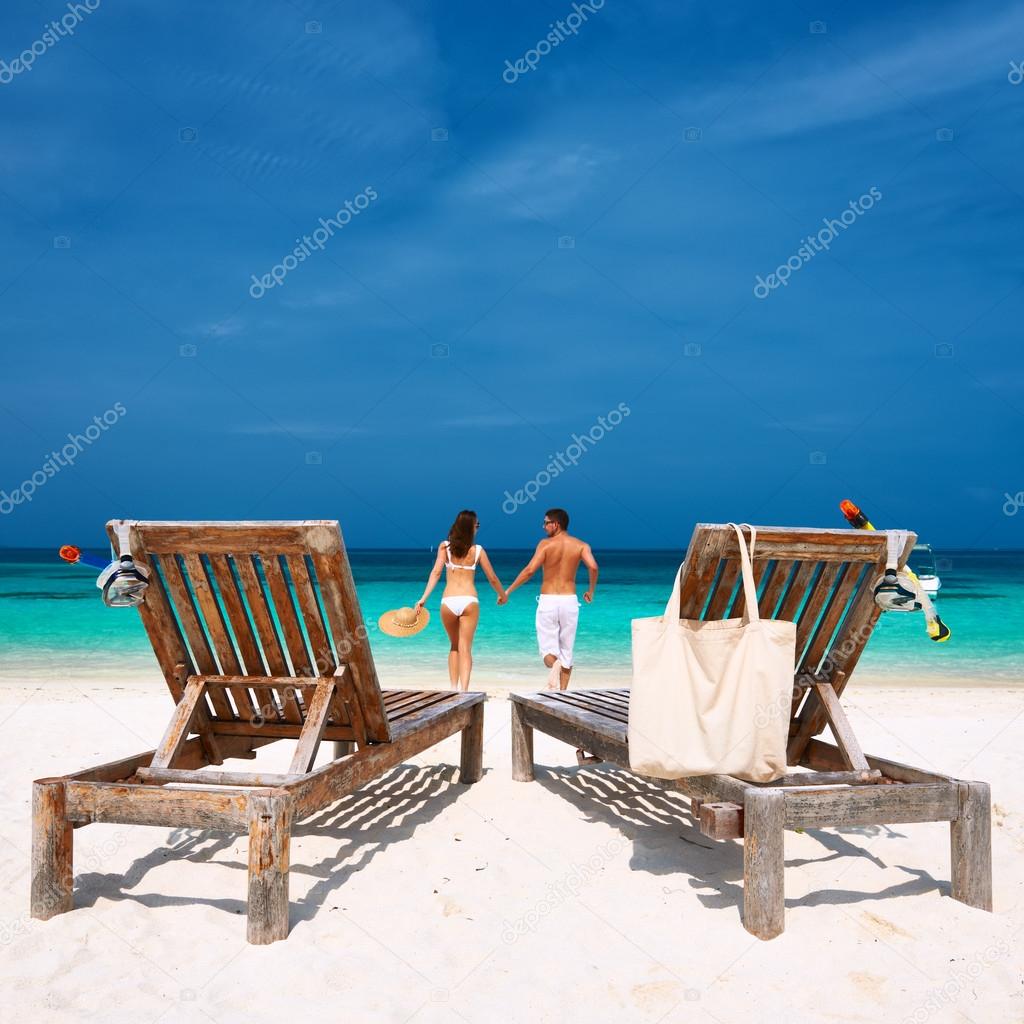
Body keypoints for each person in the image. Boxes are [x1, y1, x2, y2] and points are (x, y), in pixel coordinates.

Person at [505, 507, 598, 692]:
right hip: (569, 601)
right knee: (567, 651)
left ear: (556, 524)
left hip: (548, 601)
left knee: (548, 652)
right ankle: (563, 693)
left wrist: (508, 591)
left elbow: (530, 571)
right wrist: (591, 591)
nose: (544, 527)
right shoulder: (581, 545)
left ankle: (555, 667)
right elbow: (593, 567)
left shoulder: (545, 545)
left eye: (546, 523)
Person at [415, 510, 507, 691]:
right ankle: (464, 690)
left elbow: (435, 573)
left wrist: (423, 598)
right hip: (469, 601)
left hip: (448, 602)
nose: (478, 528)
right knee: (466, 648)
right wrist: (502, 595)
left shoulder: (444, 547)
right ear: (470, 527)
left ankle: (452, 688)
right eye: (477, 525)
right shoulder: (478, 551)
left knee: (454, 646)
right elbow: (493, 578)